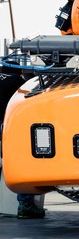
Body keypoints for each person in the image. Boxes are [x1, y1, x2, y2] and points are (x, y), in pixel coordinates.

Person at [0, 62, 45, 219]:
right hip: (7, 127)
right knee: (22, 163)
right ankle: (25, 206)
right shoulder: (17, 81)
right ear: (19, 71)